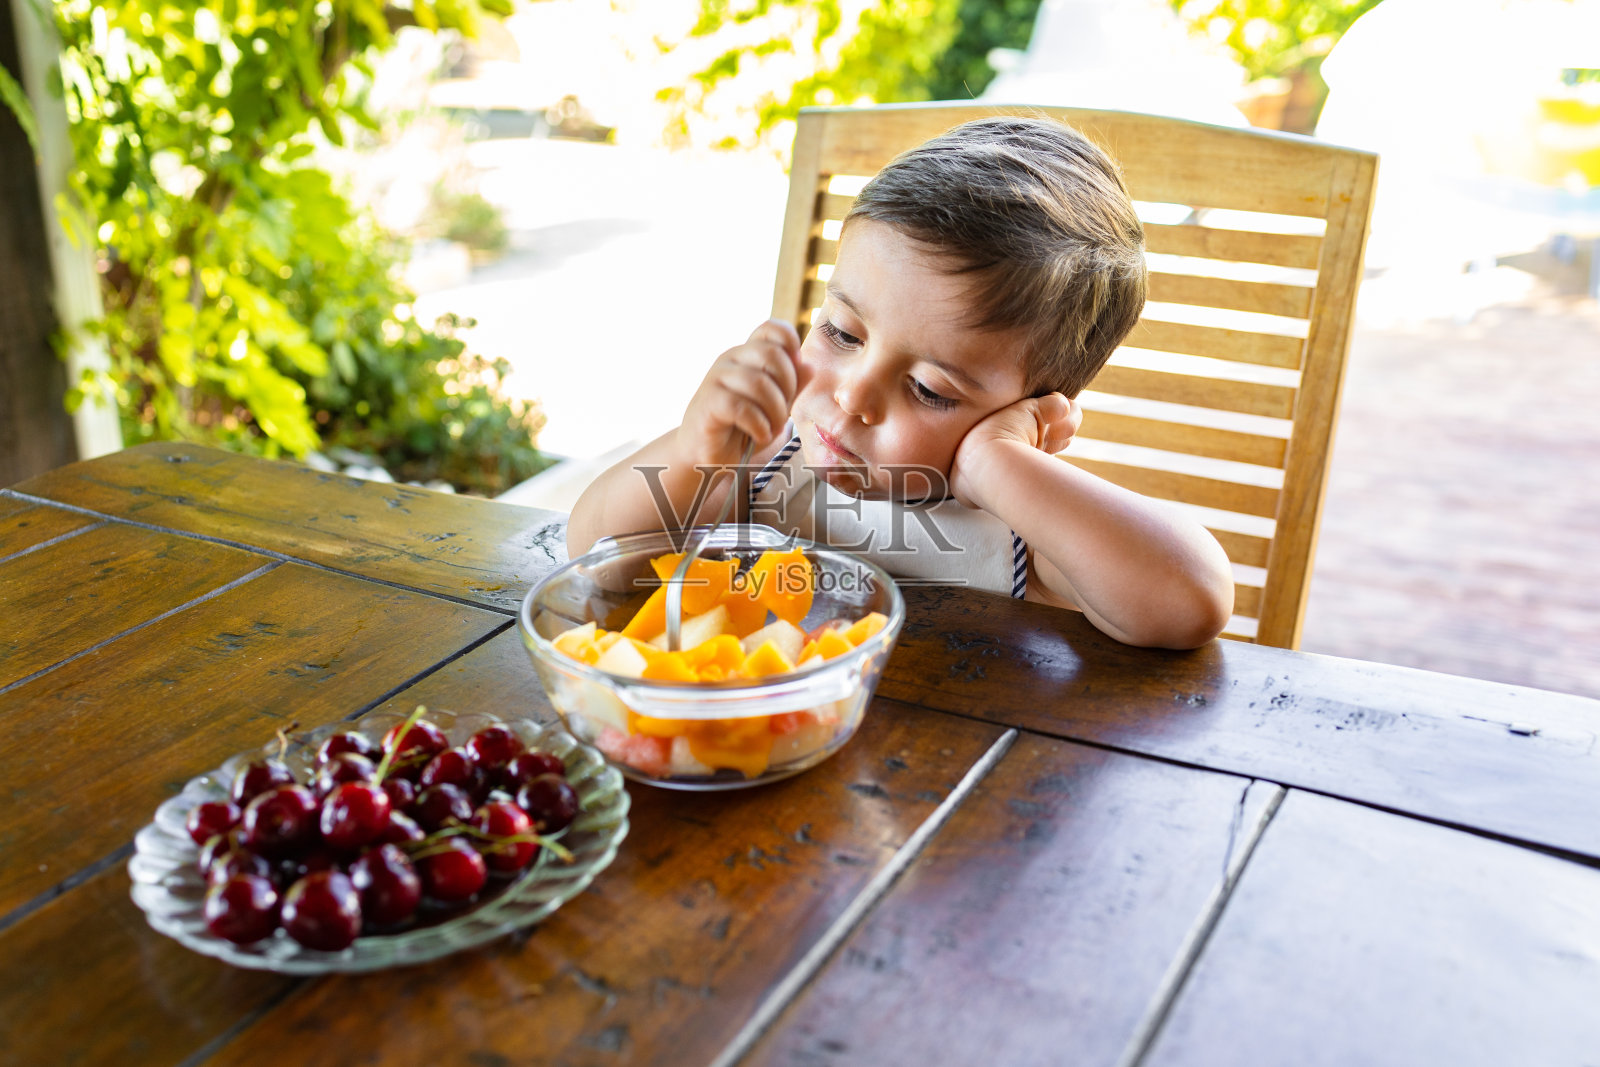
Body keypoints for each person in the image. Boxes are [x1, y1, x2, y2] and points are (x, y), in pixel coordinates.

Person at [567, 117, 1234, 649]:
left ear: (1031, 415)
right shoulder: (764, 462)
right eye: (842, 332)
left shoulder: (1024, 533)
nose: (854, 395)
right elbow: (595, 555)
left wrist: (998, 464)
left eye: (929, 389)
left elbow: (1191, 600)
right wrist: (694, 454)